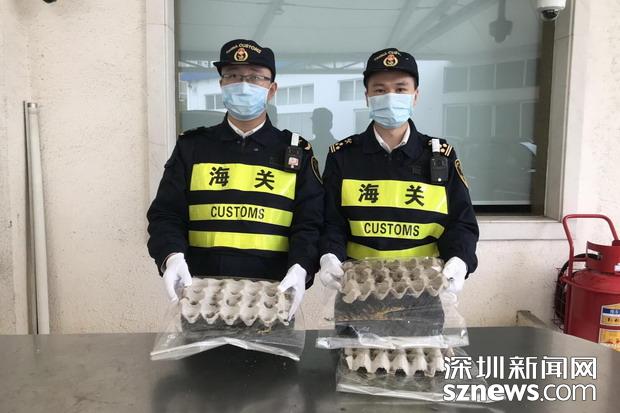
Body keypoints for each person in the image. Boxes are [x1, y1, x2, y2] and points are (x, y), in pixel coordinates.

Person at [147, 39, 324, 318]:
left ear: (271, 89)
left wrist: (302, 266)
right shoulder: (193, 147)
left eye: (254, 77)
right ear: (222, 85)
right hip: (202, 296)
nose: (243, 85)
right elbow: (166, 214)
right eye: (233, 76)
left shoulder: (295, 151)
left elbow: (310, 222)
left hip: (271, 297)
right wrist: (172, 256)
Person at [317, 48, 478, 293]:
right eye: (380, 90)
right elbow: (331, 222)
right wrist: (328, 254)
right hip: (358, 288)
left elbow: (461, 222)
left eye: (401, 89)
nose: (390, 97)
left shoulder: (440, 156)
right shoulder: (343, 157)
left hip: (423, 288)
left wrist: (460, 259)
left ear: (415, 96)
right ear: (367, 97)